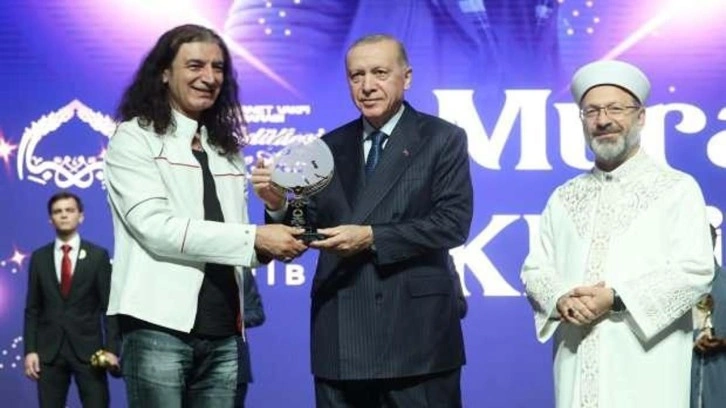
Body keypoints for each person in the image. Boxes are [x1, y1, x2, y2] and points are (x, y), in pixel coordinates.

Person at [252, 34, 473, 407]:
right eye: (357, 76)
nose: (367, 86)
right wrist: (278, 203)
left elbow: (452, 223)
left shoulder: (442, 138)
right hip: (342, 329)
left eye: (379, 73)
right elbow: (305, 228)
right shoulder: (326, 147)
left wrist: (371, 237)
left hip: (417, 335)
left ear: (407, 77)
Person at [103, 24, 306, 407]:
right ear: (165, 72)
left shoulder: (225, 149)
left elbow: (241, 247)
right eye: (195, 65)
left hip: (226, 331)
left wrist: (276, 207)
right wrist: (254, 238)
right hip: (157, 327)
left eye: (218, 67)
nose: (209, 77)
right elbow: (156, 229)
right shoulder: (134, 138)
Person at [520, 59, 714, 407]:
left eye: (615, 109)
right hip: (575, 357)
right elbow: (535, 269)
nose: (603, 120)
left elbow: (695, 271)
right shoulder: (563, 197)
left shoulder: (677, 189)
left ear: (641, 117)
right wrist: (561, 298)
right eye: (592, 111)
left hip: (648, 366)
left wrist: (616, 297)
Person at [23, 191, 119, 407]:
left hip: (90, 352)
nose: (64, 215)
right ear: (50, 219)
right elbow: (32, 309)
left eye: (69, 210)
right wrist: (30, 350)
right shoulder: (39, 258)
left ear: (81, 216)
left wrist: (112, 349)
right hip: (49, 352)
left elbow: (109, 307)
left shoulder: (98, 256)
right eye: (58, 211)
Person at [691, 225, 726, 408]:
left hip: (720, 386)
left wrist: (723, 342)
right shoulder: (675, 289)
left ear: (714, 241)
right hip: (682, 388)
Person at [235, 269, 266, 407]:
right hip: (187, 364)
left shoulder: (239, 269)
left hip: (234, 367)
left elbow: (257, 313)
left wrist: (235, 319)